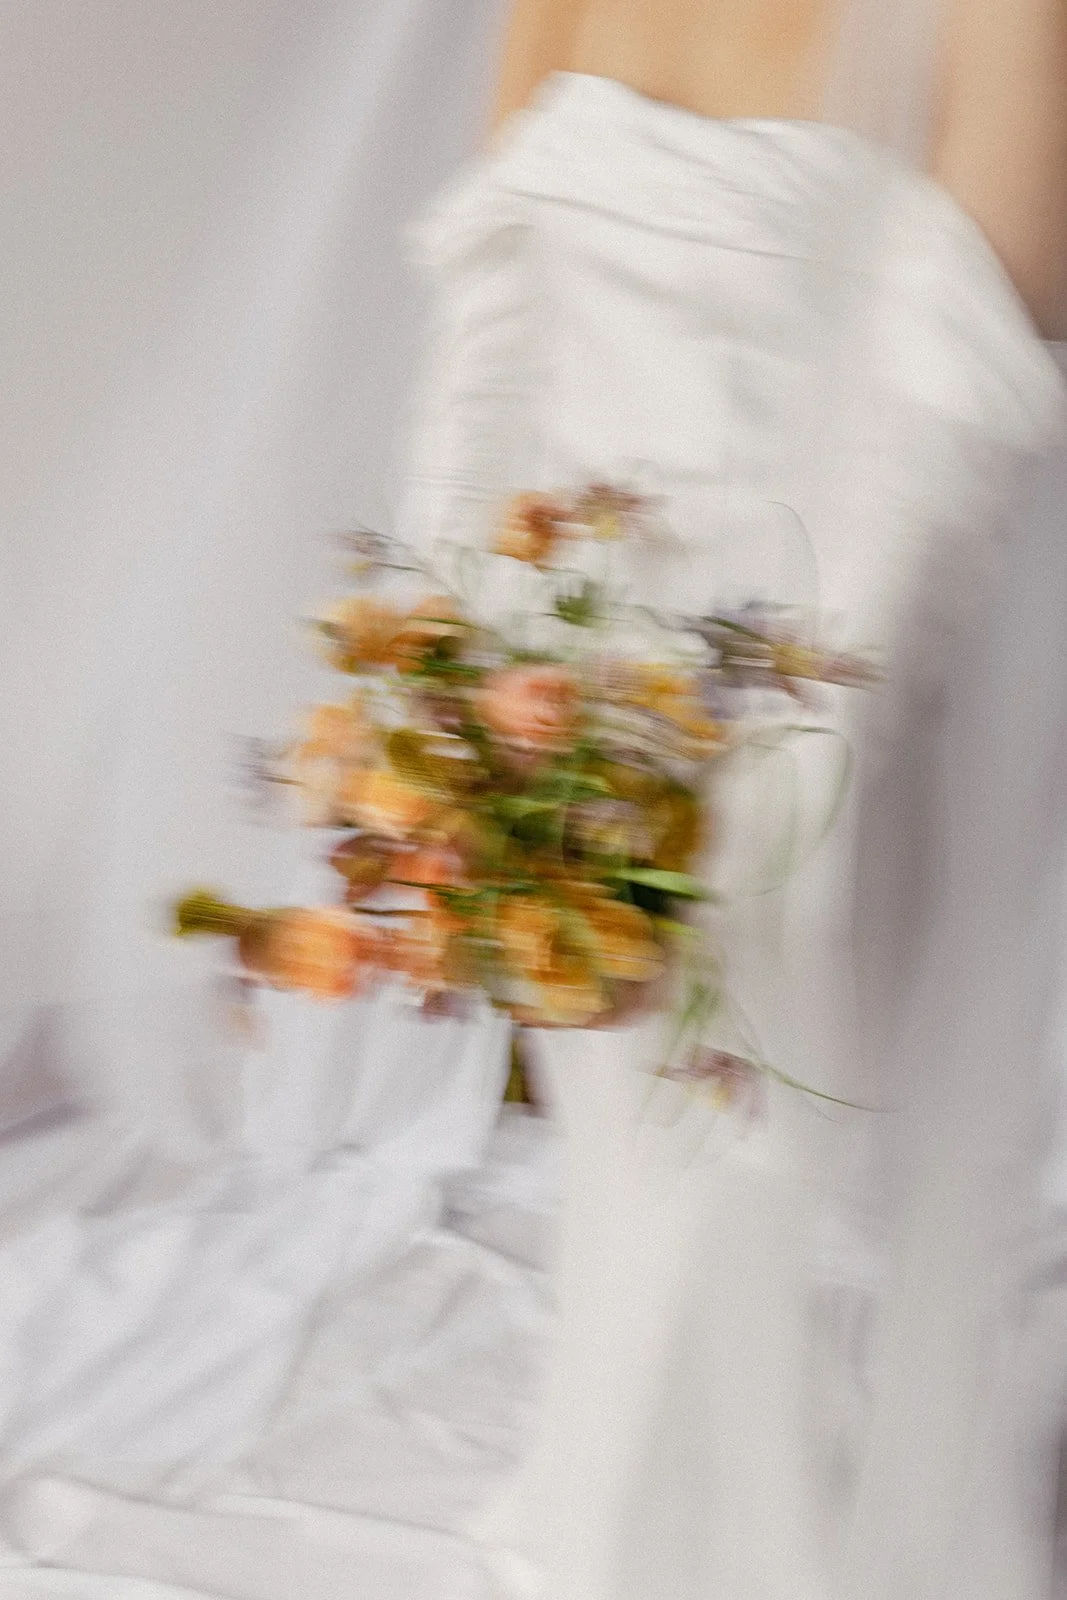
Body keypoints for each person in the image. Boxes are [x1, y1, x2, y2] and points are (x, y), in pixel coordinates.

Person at [402, 1, 1067, 1595]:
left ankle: (672, 1537)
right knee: (629, 1132)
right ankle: (650, 1508)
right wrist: (442, 675)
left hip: (813, 668)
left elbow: (966, 391)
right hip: (558, 651)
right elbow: (494, 299)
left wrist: (773, 766)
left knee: (719, 1126)